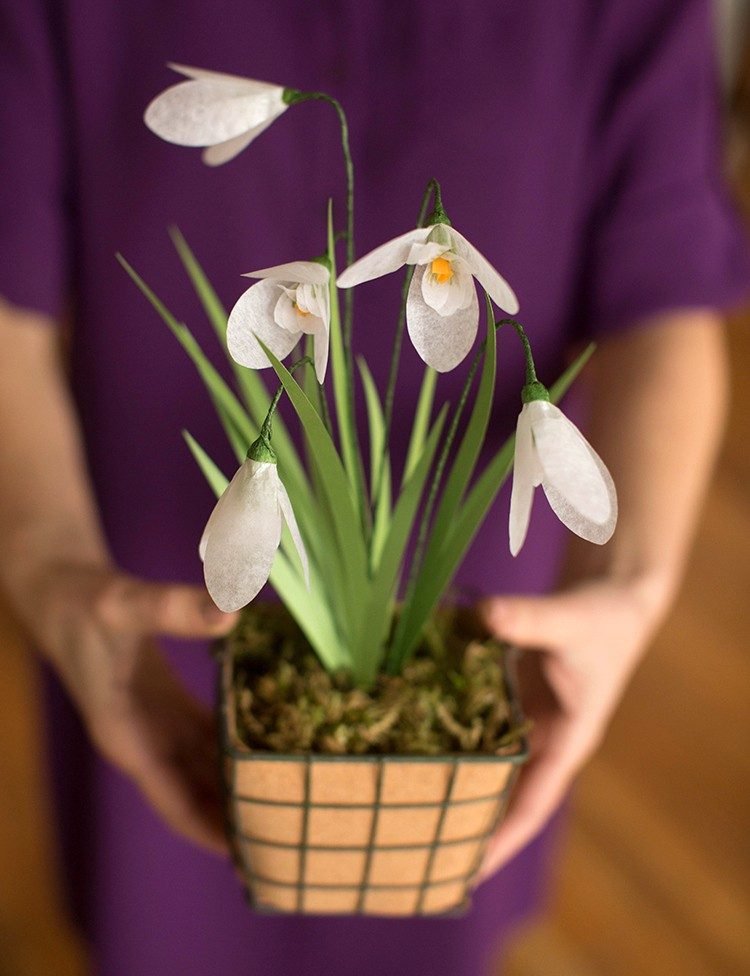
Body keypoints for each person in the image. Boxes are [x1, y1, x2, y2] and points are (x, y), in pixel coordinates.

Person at [0, 1, 745, 974]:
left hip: (478, 616)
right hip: (150, 612)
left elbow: (669, 286)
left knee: (435, 892)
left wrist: (630, 588)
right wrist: (47, 558)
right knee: (165, 903)